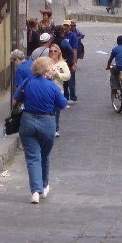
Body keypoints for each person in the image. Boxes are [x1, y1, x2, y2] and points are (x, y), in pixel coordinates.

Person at [13, 56, 68, 204]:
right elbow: (63, 104)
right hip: (47, 122)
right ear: (45, 71)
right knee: (44, 155)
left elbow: (15, 99)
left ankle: (35, 192)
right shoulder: (52, 86)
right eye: (51, 68)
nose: (53, 70)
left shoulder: (28, 82)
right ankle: (44, 185)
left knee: (32, 157)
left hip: (28, 121)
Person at [47, 43, 70, 137]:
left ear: (59, 52)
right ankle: (48, 128)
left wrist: (58, 75)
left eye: (55, 51)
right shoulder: (46, 63)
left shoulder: (63, 64)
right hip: (47, 91)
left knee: (56, 111)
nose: (53, 53)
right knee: (48, 111)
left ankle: (56, 129)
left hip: (58, 91)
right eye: (51, 51)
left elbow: (67, 76)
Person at [53, 25, 75, 101]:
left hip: (54, 62)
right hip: (63, 62)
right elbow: (71, 51)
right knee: (66, 81)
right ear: (62, 32)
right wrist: (70, 62)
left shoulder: (52, 41)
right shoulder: (63, 41)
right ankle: (67, 97)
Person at [62, 20, 78, 102]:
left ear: (70, 27)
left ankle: (72, 96)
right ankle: (65, 96)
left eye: (67, 25)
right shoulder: (62, 35)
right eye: (64, 25)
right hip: (62, 61)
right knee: (64, 80)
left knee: (71, 80)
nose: (65, 27)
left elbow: (75, 50)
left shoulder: (73, 36)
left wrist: (74, 63)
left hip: (70, 60)